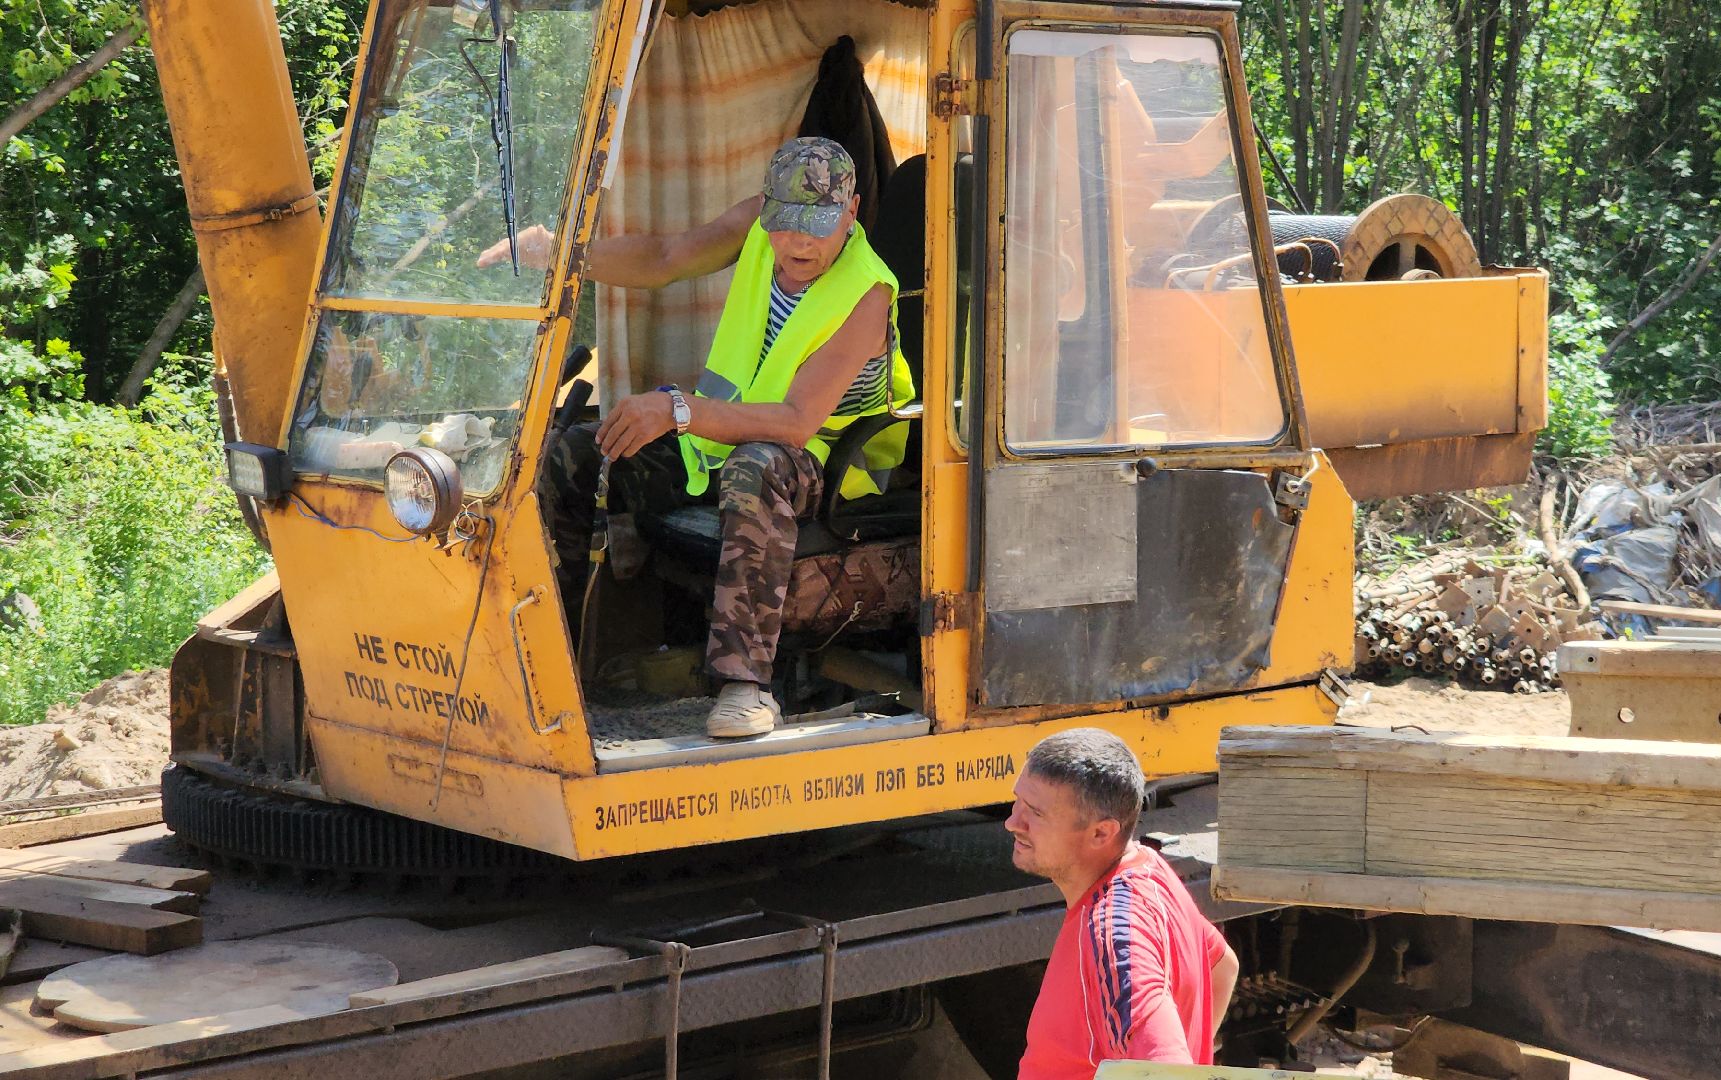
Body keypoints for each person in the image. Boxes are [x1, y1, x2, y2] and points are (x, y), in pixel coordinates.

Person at [478, 137, 914, 739]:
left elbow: (794, 422)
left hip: (829, 463)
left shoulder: (869, 291)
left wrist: (679, 409)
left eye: (817, 225)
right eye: (785, 224)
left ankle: (745, 687)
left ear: (852, 210)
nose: (798, 243)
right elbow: (663, 258)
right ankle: (549, 661)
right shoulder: (756, 225)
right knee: (577, 453)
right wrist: (560, 255)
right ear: (766, 209)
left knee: (756, 467)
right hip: (714, 441)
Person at [1005, 728, 1239, 1078]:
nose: (1012, 822)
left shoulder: (1113, 940)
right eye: (1017, 801)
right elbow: (1222, 966)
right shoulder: (1149, 869)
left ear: (1101, 833)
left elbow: (1167, 1073)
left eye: (1036, 814)